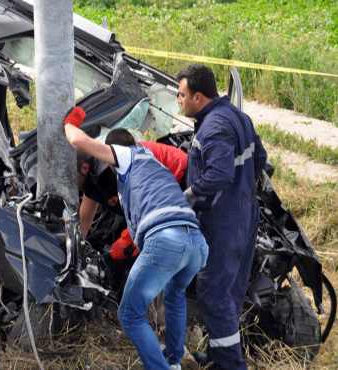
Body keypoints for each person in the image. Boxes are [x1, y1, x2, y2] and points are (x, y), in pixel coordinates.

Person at [64, 108, 209, 370]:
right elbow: (85, 220)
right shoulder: (153, 165)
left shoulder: (128, 154)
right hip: (196, 243)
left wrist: (69, 122)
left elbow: (78, 141)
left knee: (129, 314)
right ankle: (175, 361)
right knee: (175, 295)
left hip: (166, 240)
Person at [176, 64, 267, 369]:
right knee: (230, 294)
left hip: (222, 221)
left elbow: (219, 172)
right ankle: (218, 358)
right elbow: (260, 159)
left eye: (182, 94)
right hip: (244, 214)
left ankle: (231, 365)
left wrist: (186, 198)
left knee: (213, 296)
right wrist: (242, 193)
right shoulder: (238, 116)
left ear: (198, 97)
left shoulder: (213, 126)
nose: (179, 100)